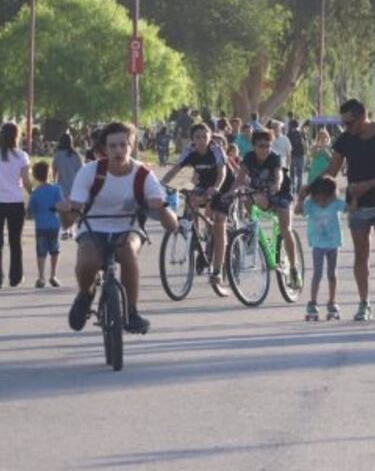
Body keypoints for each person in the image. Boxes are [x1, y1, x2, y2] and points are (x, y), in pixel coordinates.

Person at [59, 122, 177, 335]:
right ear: (104, 149)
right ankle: (85, 295)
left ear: (132, 146)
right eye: (112, 146)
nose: (118, 150)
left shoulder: (143, 175)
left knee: (127, 251)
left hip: (128, 228)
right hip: (93, 227)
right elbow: (68, 222)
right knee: (88, 262)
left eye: (123, 145)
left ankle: (131, 311)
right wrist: (64, 210)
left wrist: (162, 208)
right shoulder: (90, 172)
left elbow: (172, 225)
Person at [317, 99, 375, 322]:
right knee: (361, 253)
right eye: (343, 123)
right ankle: (364, 303)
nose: (346, 128)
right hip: (357, 203)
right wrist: (311, 187)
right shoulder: (345, 139)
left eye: (350, 123)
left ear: (363, 116)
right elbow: (332, 169)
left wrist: (369, 185)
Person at [162, 123, 230, 286]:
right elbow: (175, 170)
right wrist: (161, 184)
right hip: (204, 183)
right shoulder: (189, 151)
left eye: (204, 136)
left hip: (223, 184)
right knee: (190, 200)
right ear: (192, 139)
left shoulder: (216, 150)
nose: (201, 140)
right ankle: (196, 238)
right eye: (197, 137)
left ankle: (217, 271)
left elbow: (222, 172)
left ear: (210, 137)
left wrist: (217, 187)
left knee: (219, 223)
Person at [235, 129, 300, 287]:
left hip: (281, 195)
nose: (264, 149)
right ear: (253, 146)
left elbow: (279, 174)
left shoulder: (274, 158)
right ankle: (252, 230)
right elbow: (240, 178)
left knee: (285, 229)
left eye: (268, 146)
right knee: (246, 196)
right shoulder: (249, 157)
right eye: (260, 146)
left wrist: (277, 184)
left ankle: (293, 268)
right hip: (262, 195)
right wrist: (231, 192)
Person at [0, 122, 32, 288]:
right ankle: (15, 276)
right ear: (16, 137)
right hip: (15, 201)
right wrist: (32, 193)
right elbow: (26, 181)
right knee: (15, 241)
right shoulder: (22, 156)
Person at [295, 176, 347, 321]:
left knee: (332, 273)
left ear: (332, 195)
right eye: (318, 199)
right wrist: (301, 198)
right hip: (318, 244)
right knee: (317, 274)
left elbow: (348, 208)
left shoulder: (336, 203)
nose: (322, 202)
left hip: (333, 243)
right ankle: (313, 302)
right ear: (313, 196)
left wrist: (352, 194)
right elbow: (298, 211)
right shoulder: (311, 204)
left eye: (325, 199)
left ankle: (332, 301)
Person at [28, 161, 64, 288]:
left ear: (35, 176)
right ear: (49, 173)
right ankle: (53, 275)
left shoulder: (35, 192)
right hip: (54, 224)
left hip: (41, 226)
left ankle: (41, 277)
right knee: (55, 250)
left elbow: (31, 210)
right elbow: (61, 205)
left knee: (41, 252)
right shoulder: (56, 189)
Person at [288, 119, 307, 194]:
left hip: (292, 156)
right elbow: (306, 144)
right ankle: (298, 189)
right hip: (301, 155)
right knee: (300, 173)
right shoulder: (302, 133)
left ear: (291, 126)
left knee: (292, 173)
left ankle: (293, 187)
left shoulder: (289, 134)